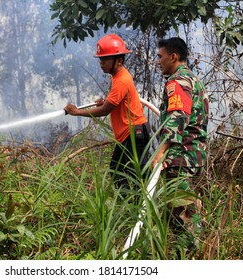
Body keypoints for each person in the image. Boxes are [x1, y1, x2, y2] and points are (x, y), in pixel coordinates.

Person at [64, 34, 150, 196]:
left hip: (134, 134)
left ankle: (141, 210)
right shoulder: (117, 76)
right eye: (100, 59)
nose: (101, 63)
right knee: (117, 173)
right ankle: (131, 206)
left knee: (137, 177)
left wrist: (77, 112)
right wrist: (105, 102)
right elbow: (115, 103)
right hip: (127, 135)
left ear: (119, 60)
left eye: (105, 59)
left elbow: (105, 110)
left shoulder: (121, 80)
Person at [152, 37, 209, 256]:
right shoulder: (193, 79)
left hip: (179, 155)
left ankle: (189, 257)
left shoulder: (178, 82)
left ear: (173, 57)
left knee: (183, 216)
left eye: (160, 56)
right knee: (179, 209)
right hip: (191, 154)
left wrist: (162, 150)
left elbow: (178, 116)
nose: (158, 61)